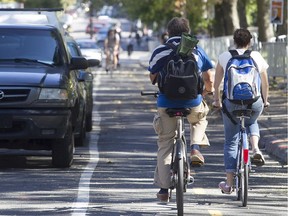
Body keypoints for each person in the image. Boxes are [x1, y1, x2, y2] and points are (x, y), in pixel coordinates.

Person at [148, 17, 214, 202]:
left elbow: (152, 77)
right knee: (200, 118)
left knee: (165, 144)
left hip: (166, 103)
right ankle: (194, 149)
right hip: (192, 102)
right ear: (187, 31)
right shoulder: (197, 50)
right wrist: (207, 91)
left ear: (168, 32)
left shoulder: (160, 51)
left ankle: (163, 190)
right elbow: (208, 77)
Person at [213, 28, 270, 194]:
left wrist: (216, 101)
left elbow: (216, 84)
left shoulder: (225, 56)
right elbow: (265, 83)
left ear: (234, 41)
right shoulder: (256, 56)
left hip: (231, 103)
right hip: (254, 101)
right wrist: (265, 101)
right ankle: (255, 148)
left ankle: (229, 184)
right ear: (250, 41)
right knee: (252, 120)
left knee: (231, 141)